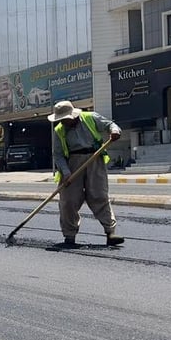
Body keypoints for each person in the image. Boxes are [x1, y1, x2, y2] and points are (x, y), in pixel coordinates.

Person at [48, 100, 123, 247]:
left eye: (64, 119)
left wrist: (114, 131)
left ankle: (110, 232)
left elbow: (110, 125)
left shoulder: (90, 118)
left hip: (94, 159)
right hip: (72, 164)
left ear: (73, 116)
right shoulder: (59, 130)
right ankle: (69, 235)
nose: (62, 122)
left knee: (99, 195)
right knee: (68, 201)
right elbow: (58, 155)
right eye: (60, 119)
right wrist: (66, 172)